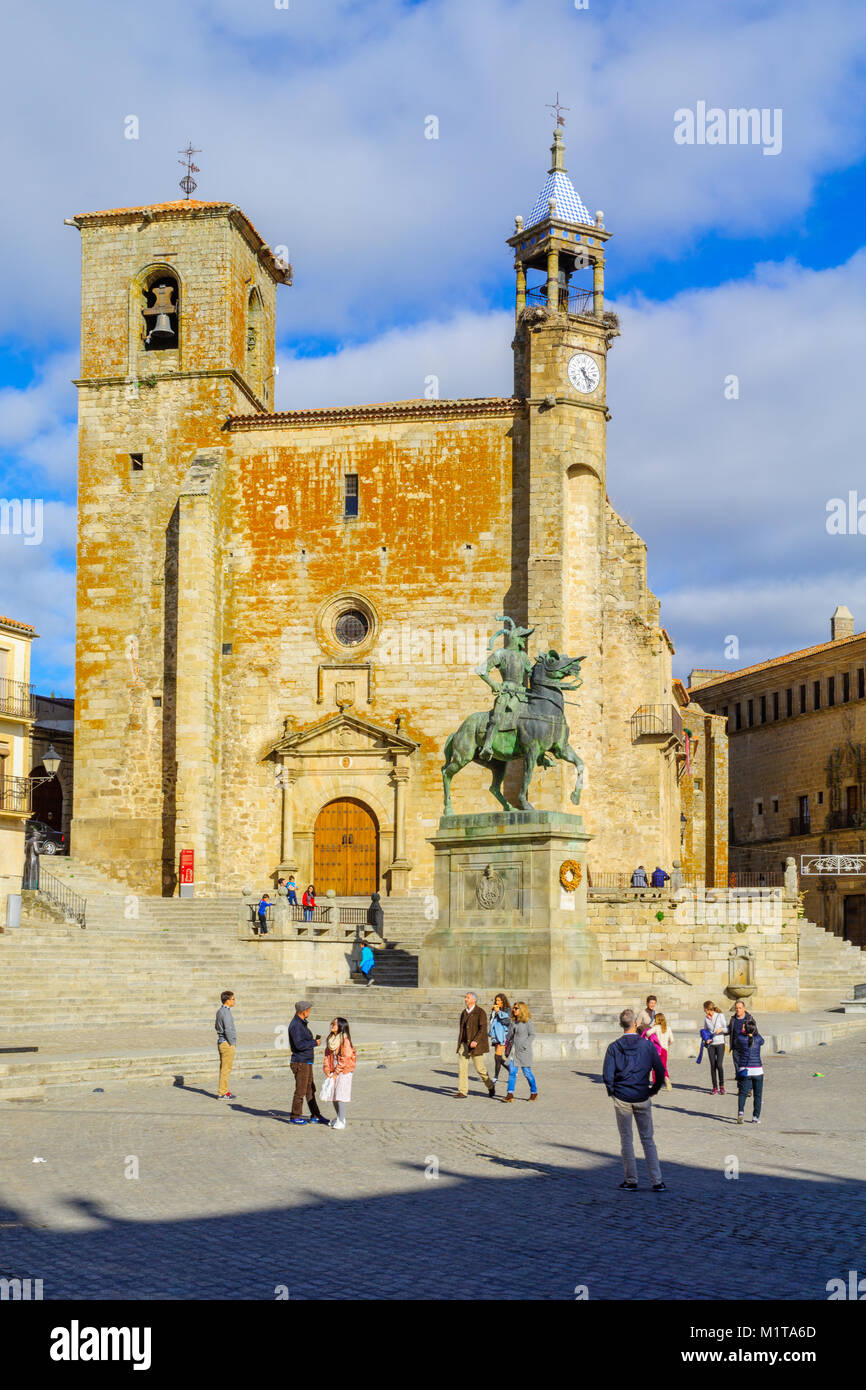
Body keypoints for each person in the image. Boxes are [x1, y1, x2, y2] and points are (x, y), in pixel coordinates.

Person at [602, 1006, 667, 1191]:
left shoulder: (614, 1047)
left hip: (622, 1096)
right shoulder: (647, 1045)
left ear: (620, 1025)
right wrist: (653, 1089)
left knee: (626, 1139)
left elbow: (607, 1075)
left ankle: (631, 1180)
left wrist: (613, 1091)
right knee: (648, 1139)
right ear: (636, 1024)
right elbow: (660, 1070)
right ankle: (657, 1180)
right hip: (642, 1094)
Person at [288, 1001, 329, 1125]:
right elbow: (299, 1045)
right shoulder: (296, 1025)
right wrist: (314, 1043)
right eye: (309, 1010)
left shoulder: (302, 1023)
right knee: (301, 1090)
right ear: (303, 1011)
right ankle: (295, 1116)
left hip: (307, 1061)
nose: (310, 1012)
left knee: (310, 1089)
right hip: (300, 1062)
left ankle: (315, 1115)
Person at [455, 992, 496, 1099]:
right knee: (462, 1068)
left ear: (474, 1000)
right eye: (465, 997)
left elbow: (483, 1029)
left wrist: (476, 1041)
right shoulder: (464, 1012)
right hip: (464, 1044)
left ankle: (490, 1085)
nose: (465, 999)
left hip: (475, 1045)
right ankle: (462, 1091)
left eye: (467, 998)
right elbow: (462, 1029)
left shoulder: (480, 1012)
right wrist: (460, 1044)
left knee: (480, 1069)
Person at [323, 1016, 356, 1129]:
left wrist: (336, 1073)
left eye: (334, 1024)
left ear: (341, 1026)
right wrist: (327, 1070)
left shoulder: (345, 1040)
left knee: (340, 1095)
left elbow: (345, 1058)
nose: (332, 1025)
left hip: (344, 1071)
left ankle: (341, 1120)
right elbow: (327, 1056)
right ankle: (339, 1117)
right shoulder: (331, 1039)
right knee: (333, 1095)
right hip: (333, 1070)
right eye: (332, 1023)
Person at [502, 1001, 537, 1102]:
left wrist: (525, 1045)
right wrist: (504, 1041)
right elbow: (509, 1035)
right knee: (512, 1072)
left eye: (516, 1008)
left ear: (522, 1010)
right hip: (514, 1052)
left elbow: (532, 1035)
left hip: (524, 1052)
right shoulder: (513, 1021)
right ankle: (510, 1094)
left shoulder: (527, 1022)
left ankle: (534, 1092)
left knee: (527, 1073)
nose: (514, 1010)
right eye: (514, 1008)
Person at [732, 1019, 765, 1124]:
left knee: (743, 1093)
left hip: (745, 1070)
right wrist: (754, 1031)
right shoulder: (758, 1038)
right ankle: (755, 1117)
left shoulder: (740, 1038)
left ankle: (740, 1113)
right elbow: (762, 1041)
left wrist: (744, 1032)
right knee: (758, 1095)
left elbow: (736, 1042)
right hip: (757, 1070)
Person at [701, 999, 728, 1094]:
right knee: (713, 1065)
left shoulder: (720, 1016)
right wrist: (706, 1038)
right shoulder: (706, 1018)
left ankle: (722, 1085)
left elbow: (727, 1028)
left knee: (719, 1065)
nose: (704, 1011)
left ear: (708, 1009)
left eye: (704, 1009)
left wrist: (721, 1030)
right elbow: (705, 1030)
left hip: (720, 1043)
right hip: (711, 1044)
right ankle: (714, 1086)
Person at [215, 990, 237, 1099]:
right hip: (226, 1043)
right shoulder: (226, 1012)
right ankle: (222, 1092)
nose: (234, 1001)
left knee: (224, 1068)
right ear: (227, 1000)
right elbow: (228, 1029)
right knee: (226, 1069)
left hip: (221, 1041)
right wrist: (232, 1043)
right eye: (233, 999)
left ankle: (225, 1090)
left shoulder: (220, 1011)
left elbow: (216, 1026)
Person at [646, 1011, 673, 1090]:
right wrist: (667, 1045)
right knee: (663, 1066)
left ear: (657, 1020)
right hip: (664, 1050)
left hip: (657, 1050)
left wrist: (651, 1038)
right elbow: (672, 1040)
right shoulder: (668, 1028)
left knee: (655, 1067)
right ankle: (667, 1078)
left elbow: (648, 1033)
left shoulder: (656, 1028)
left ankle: (656, 1083)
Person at [488, 992, 511, 1086]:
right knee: (498, 1057)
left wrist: (499, 1012)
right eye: (496, 1000)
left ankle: (495, 1077)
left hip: (503, 1036)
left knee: (497, 1056)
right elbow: (491, 1021)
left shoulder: (507, 1010)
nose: (497, 1002)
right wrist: (494, 1013)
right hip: (495, 1036)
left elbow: (507, 1022)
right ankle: (511, 1069)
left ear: (503, 1001)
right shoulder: (494, 1010)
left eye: (498, 1000)